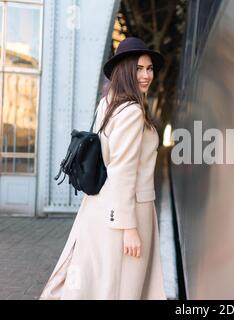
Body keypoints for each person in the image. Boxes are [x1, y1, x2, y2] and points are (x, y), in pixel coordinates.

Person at [40, 37, 166, 300]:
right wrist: (129, 229)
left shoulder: (108, 103)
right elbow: (122, 171)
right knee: (125, 289)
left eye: (149, 68)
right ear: (125, 71)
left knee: (101, 285)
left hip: (99, 207)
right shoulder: (132, 112)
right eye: (139, 69)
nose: (146, 75)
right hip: (128, 212)